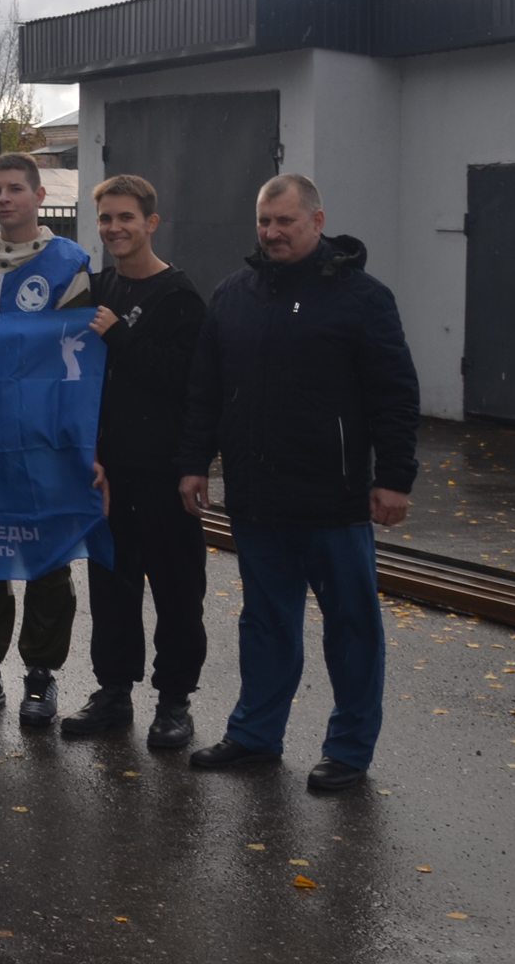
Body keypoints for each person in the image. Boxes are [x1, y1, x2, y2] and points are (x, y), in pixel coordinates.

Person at [180, 174, 419, 792]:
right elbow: (206, 389)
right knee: (265, 622)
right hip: (257, 498)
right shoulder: (234, 295)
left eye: (285, 221)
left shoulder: (363, 299)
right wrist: (194, 461)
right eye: (264, 221)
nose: (272, 232)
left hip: (333, 500)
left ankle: (349, 749)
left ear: (317, 221)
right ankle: (255, 735)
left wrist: (394, 477)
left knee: (351, 627)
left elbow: (394, 394)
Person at [60, 174, 209, 749]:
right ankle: (113, 693)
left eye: (126, 217)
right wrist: (87, 451)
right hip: (108, 472)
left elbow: (189, 383)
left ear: (151, 222)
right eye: (106, 218)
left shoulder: (179, 297)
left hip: (164, 472)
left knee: (177, 591)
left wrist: (122, 338)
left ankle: (174, 703)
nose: (115, 228)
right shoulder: (95, 289)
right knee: (112, 589)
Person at [0, 151, 92, 726]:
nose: (3, 198)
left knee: (47, 553)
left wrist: (72, 434)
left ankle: (41, 676)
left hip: (43, 439)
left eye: (14, 189)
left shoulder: (68, 265)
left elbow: (80, 358)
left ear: (38, 196)